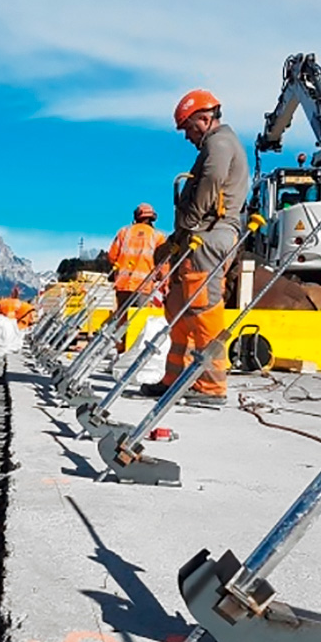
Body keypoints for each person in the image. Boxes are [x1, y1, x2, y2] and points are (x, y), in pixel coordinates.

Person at [140, 89, 249, 405]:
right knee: (179, 309)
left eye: (188, 128)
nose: (187, 136)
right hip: (197, 237)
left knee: (202, 311)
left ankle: (211, 386)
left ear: (204, 118)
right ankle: (176, 379)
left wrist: (188, 221)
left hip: (209, 235)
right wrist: (176, 240)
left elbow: (212, 179)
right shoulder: (216, 144)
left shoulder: (220, 143)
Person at [107, 204, 167, 352]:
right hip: (144, 285)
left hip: (123, 284)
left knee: (122, 319)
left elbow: (112, 256)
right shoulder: (158, 236)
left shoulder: (124, 232)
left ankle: (120, 350)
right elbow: (163, 262)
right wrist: (163, 279)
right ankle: (134, 352)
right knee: (140, 319)